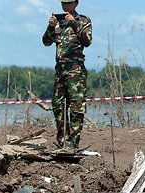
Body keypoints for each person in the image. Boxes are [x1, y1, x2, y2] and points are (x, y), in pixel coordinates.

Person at [42, 0, 92, 150]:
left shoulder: (83, 20)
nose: (65, 6)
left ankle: (73, 142)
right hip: (60, 70)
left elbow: (87, 41)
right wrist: (50, 27)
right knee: (58, 106)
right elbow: (46, 41)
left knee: (76, 106)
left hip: (75, 69)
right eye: (63, 3)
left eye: (69, 3)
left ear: (76, 3)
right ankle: (63, 141)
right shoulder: (58, 22)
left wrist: (74, 24)